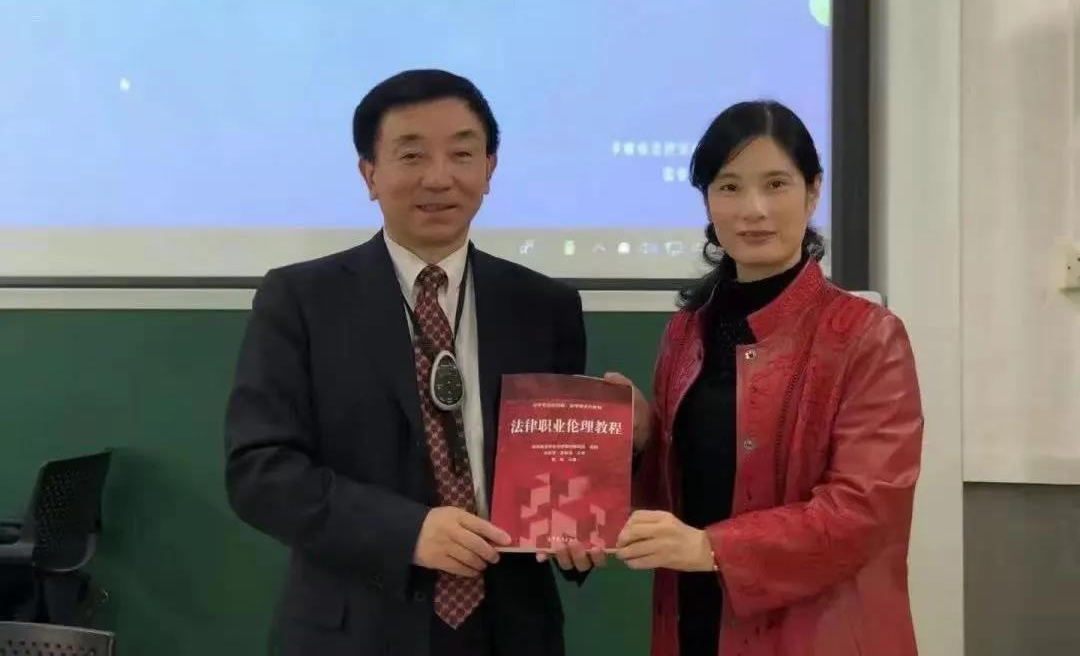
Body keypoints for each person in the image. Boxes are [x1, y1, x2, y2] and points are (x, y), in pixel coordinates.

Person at [225, 69, 599, 656]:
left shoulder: (545, 305)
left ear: (490, 170)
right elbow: (260, 471)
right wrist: (409, 532)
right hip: (355, 629)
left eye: (462, 154)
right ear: (369, 174)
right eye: (412, 154)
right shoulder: (301, 299)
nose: (439, 177)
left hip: (510, 628)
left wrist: (579, 519)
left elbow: (558, 468)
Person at [610, 100, 923, 656]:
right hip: (693, 622)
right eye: (729, 188)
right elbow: (682, 496)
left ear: (813, 191)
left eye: (776, 184)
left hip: (819, 633)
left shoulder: (867, 335)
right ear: (708, 201)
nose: (753, 210)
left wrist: (712, 549)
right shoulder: (685, 332)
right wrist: (642, 439)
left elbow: (864, 511)